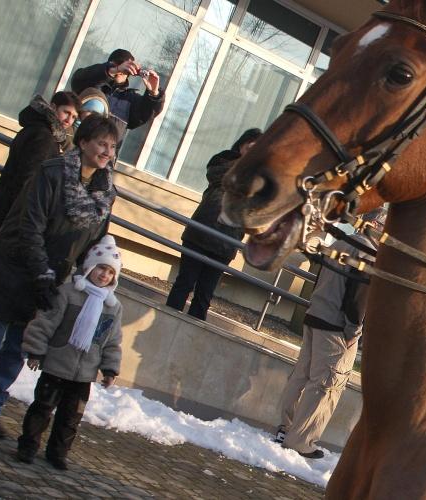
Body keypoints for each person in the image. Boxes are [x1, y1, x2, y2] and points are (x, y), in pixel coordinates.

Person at [0, 115, 118, 439]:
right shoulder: (53, 172)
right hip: (14, 266)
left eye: (112, 146)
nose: (107, 151)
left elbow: (96, 240)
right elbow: (30, 226)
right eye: (101, 142)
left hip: (51, 278)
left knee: (18, 346)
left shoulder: (105, 192)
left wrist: (94, 274)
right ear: (83, 142)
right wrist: (41, 272)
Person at [273, 207, 386, 459]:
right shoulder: (368, 252)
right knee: (326, 385)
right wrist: (353, 331)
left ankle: (286, 428)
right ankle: (301, 442)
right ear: (375, 225)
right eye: (385, 225)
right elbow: (359, 296)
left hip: (315, 314)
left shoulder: (341, 242)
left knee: (301, 376)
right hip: (336, 326)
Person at [16, 235, 123, 470]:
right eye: (100, 268)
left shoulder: (112, 306)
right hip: (56, 365)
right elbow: (45, 322)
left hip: (84, 374)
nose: (104, 275)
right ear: (89, 267)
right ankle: (28, 445)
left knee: (70, 418)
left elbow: (112, 341)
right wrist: (36, 351)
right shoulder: (68, 292)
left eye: (110, 272)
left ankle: (58, 453)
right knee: (41, 409)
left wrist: (109, 369)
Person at [166, 128, 263, 320]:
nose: (252, 149)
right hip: (199, 234)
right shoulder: (224, 160)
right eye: (250, 144)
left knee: (205, 293)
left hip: (226, 242)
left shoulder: (260, 177)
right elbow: (217, 176)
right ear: (241, 144)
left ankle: (193, 329)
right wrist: (245, 164)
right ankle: (167, 318)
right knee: (184, 282)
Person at [0, 91, 81, 240]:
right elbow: (27, 182)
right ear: (54, 107)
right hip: (9, 216)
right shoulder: (44, 137)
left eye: (74, 117)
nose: (69, 120)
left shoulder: (38, 128)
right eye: (66, 112)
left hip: (1, 209)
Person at [69, 48, 164, 146]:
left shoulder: (130, 100)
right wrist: (112, 71)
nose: (122, 71)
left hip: (104, 157)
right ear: (110, 64)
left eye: (127, 68)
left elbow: (145, 115)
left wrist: (154, 93)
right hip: (75, 146)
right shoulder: (92, 85)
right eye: (119, 64)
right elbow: (79, 78)